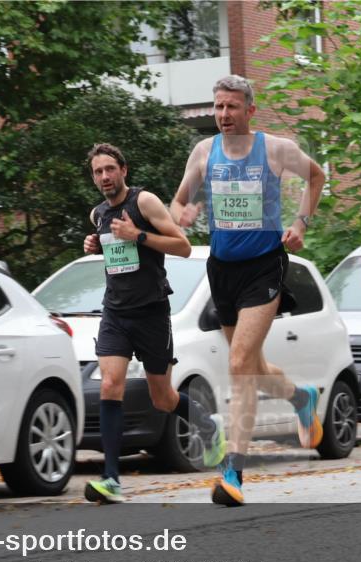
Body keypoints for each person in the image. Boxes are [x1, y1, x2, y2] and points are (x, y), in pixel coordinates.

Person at [171, 75, 326, 507]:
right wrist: (183, 212)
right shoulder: (203, 152)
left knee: (239, 363)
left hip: (264, 266)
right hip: (222, 271)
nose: (223, 115)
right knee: (252, 366)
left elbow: (315, 177)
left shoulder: (275, 149)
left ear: (249, 110)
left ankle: (233, 472)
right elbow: (177, 201)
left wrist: (300, 223)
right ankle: (302, 397)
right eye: (219, 107)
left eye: (232, 107)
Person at [83, 143, 226, 504]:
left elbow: (183, 246)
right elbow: (118, 255)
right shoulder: (98, 214)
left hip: (151, 312)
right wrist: (96, 245)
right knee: (110, 385)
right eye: (98, 172)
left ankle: (207, 424)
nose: (104, 177)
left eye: (110, 169)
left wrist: (139, 235)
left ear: (123, 170)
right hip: (115, 313)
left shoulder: (144, 202)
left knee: (162, 399)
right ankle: (111, 479)